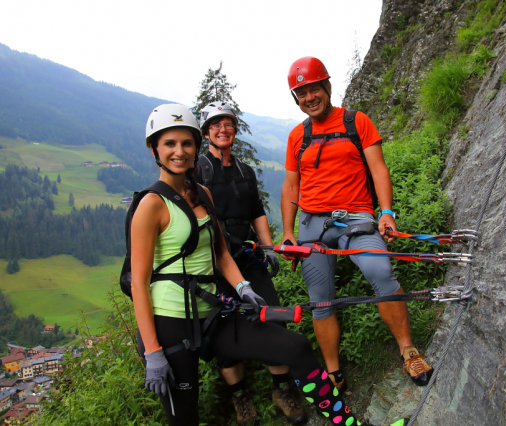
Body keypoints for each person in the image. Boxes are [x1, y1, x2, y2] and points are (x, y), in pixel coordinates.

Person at [132, 103, 407, 426]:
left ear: (195, 145)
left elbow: (220, 253)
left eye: (186, 143)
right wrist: (152, 351)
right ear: (154, 149)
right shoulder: (150, 204)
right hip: (171, 323)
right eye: (169, 144)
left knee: (295, 346)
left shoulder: (202, 193)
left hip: (212, 316)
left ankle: (346, 422)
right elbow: (139, 282)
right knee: (184, 418)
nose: (179, 151)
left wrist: (243, 286)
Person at [280, 57, 434, 391]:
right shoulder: (297, 137)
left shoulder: (356, 121)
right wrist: (289, 233)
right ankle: (333, 370)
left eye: (313, 89)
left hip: (356, 216)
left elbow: (378, 168)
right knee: (320, 298)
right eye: (301, 93)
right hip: (311, 223)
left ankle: (408, 349)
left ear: (327, 87)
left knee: (380, 273)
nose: (309, 97)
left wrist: (387, 212)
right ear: (297, 98)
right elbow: (291, 187)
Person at [196, 102, 306, 425]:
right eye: (215, 125)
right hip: (214, 264)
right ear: (206, 133)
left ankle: (280, 389)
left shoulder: (245, 172)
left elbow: (257, 211)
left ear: (234, 129)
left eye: (227, 123)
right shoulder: (198, 170)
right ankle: (241, 398)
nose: (222, 129)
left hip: (246, 257)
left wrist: (269, 249)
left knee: (274, 317)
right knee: (225, 330)